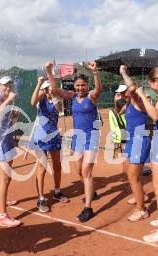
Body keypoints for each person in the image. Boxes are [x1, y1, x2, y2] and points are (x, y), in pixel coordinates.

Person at [120, 66, 158, 243]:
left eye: (150, 81)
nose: (149, 84)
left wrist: (144, 98)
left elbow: (154, 116)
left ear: (157, 81)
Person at [45, 60, 102, 222]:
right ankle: (93, 191)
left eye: (82, 85)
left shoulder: (91, 96)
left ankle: (88, 208)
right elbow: (55, 89)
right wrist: (49, 72)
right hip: (77, 138)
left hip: (91, 137)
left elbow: (99, 89)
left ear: (86, 85)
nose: (80, 88)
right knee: (79, 171)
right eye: (77, 86)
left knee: (86, 171)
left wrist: (95, 72)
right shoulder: (71, 96)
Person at [114, 79, 151, 222]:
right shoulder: (128, 104)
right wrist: (117, 102)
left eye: (124, 92)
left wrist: (123, 73)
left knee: (133, 176)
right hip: (131, 141)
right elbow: (119, 112)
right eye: (121, 93)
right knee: (129, 172)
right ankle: (142, 195)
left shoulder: (137, 101)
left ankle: (142, 210)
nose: (122, 94)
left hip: (140, 141)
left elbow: (133, 90)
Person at [30, 76, 69, 213]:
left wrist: (53, 96)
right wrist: (39, 84)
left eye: (49, 87)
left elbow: (59, 109)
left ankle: (57, 192)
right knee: (42, 166)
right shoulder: (41, 98)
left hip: (54, 136)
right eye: (46, 88)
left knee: (57, 165)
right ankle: (40, 198)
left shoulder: (56, 98)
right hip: (41, 136)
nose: (48, 90)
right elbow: (32, 101)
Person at [0, 76, 22, 227]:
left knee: (4, 178)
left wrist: (15, 114)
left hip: (7, 141)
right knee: (4, 178)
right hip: (1, 144)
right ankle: (2, 215)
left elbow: (9, 121)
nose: (8, 88)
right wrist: (9, 100)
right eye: (4, 86)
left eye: (10, 85)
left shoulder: (8, 100)